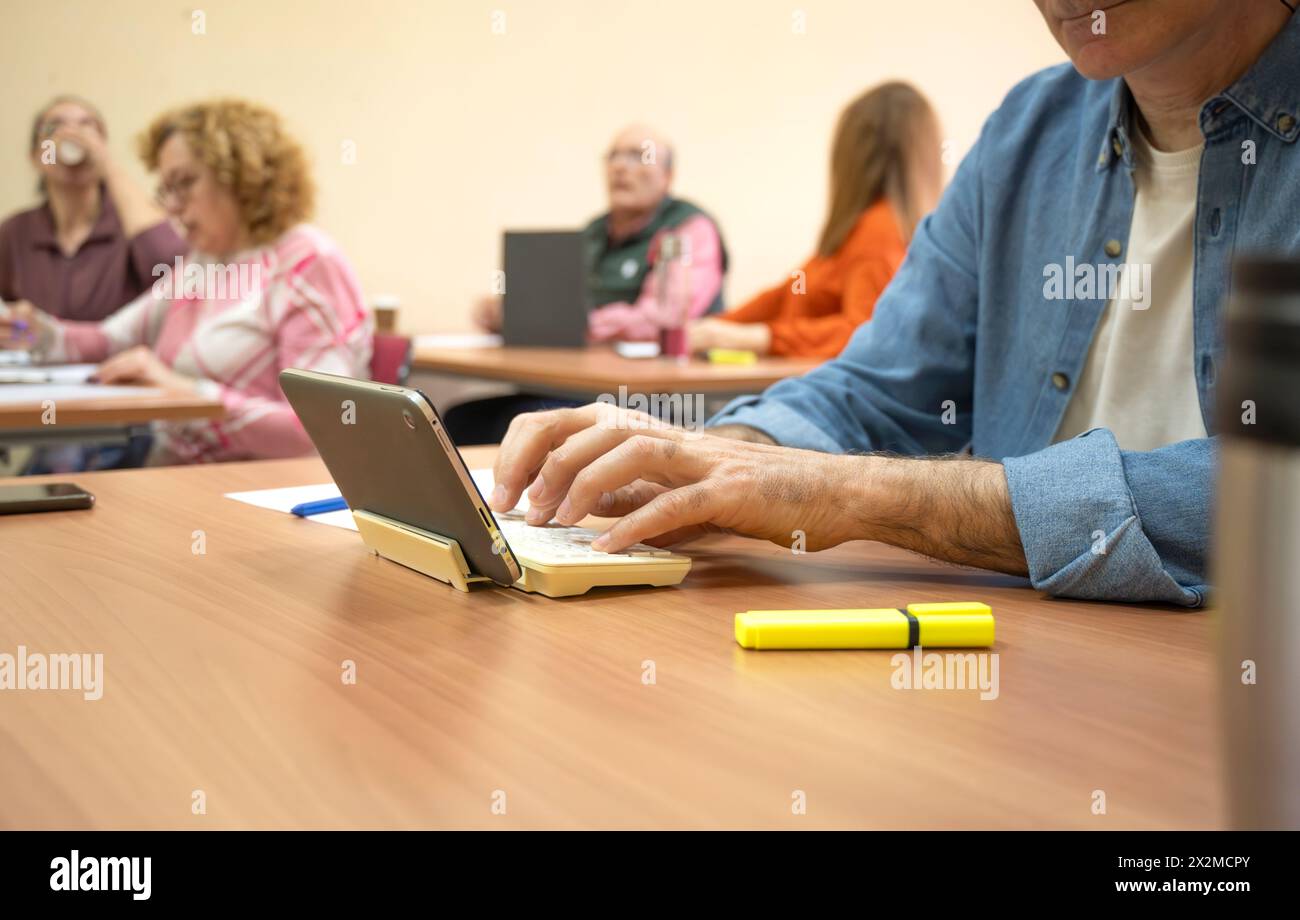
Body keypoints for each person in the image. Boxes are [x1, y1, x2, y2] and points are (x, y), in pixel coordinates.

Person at [482, 0, 1300, 607]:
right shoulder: (1028, 131)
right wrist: (707, 461)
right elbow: (876, 388)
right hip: (1025, 671)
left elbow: (1278, 491)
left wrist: (853, 492)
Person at [0, 99, 372, 465]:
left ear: (243, 177)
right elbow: (108, 339)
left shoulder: (307, 263)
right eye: (167, 189)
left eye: (185, 184)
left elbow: (316, 429)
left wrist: (183, 392)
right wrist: (34, 332)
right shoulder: (204, 263)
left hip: (256, 491)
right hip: (174, 472)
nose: (172, 207)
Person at [445, 125, 728, 444]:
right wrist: (512, 315)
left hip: (649, 398)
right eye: (614, 156)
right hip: (577, 384)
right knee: (462, 420)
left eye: (638, 156)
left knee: (514, 425)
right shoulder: (593, 233)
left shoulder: (687, 229)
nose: (621, 166)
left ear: (667, 176)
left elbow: (660, 318)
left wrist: (577, 323)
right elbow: (557, 304)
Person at [687, 82, 943, 359]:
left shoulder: (878, 230)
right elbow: (785, 295)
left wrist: (757, 337)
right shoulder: (859, 229)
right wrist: (716, 328)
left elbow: (865, 332)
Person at [0, 95, 187, 321]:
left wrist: (106, 164)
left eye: (87, 125)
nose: (71, 133)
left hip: (121, 355)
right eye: (53, 127)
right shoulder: (16, 232)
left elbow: (174, 269)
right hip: (41, 355)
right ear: (37, 157)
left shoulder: (132, 223)